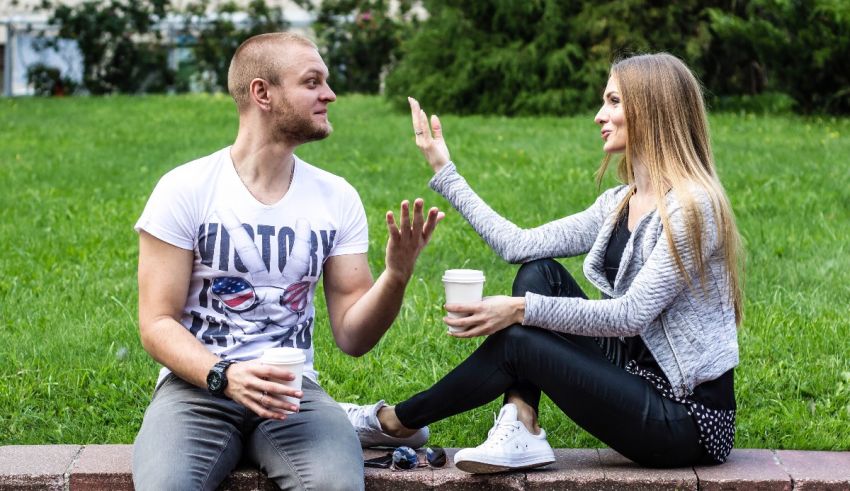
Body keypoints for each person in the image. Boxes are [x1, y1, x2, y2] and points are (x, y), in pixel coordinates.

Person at [342, 53, 743, 473]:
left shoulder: (694, 207)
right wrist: (444, 169)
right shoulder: (621, 201)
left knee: (520, 337)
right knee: (539, 272)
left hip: (688, 420)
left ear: (652, 109)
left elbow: (630, 315)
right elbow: (519, 245)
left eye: (613, 102)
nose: (598, 115)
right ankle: (522, 423)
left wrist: (518, 309)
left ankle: (393, 421)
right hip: (636, 379)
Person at [132, 32, 442, 490]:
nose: (329, 94)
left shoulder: (336, 197)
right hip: (196, 390)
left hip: (293, 394)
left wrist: (396, 275)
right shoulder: (186, 189)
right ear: (263, 93)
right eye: (313, 82)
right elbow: (156, 323)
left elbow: (353, 336)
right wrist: (225, 376)